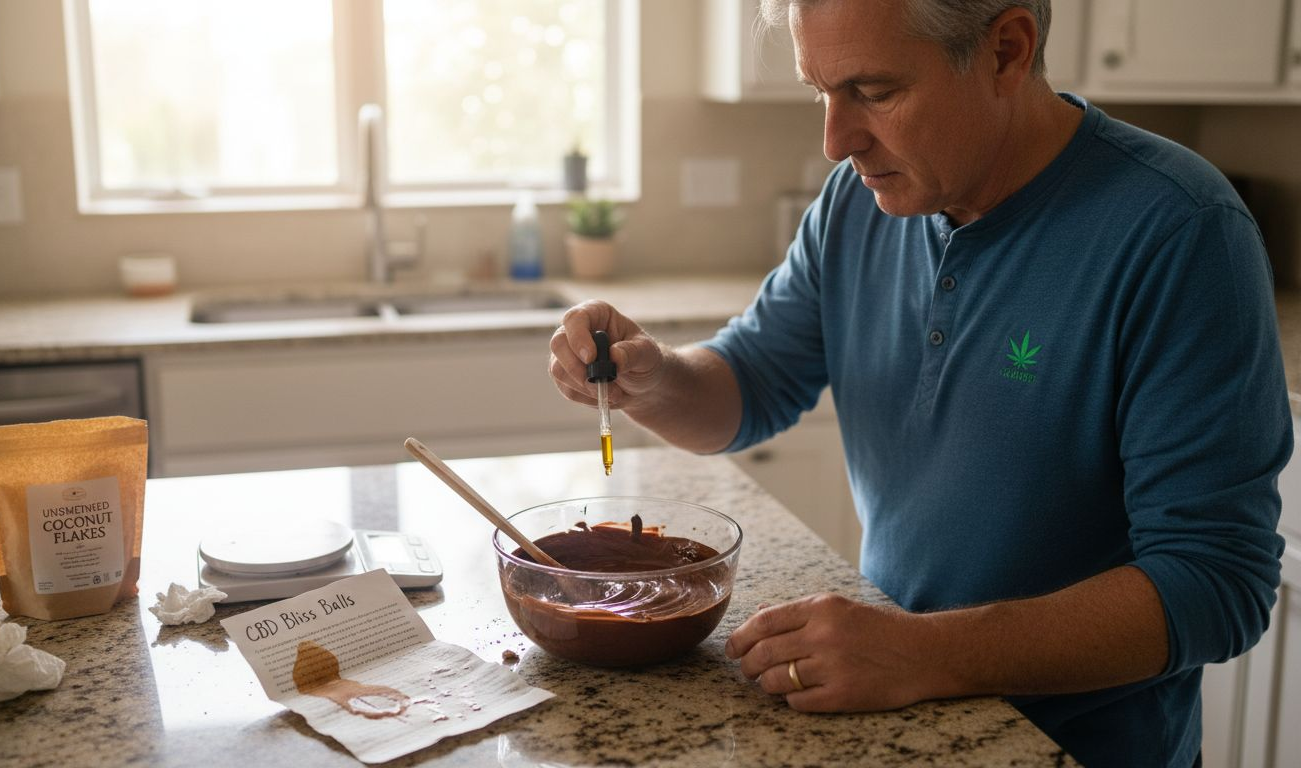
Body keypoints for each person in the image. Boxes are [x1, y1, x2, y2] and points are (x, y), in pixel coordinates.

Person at [547, 1, 1291, 766]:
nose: (837, 142)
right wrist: (654, 377)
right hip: (893, 718)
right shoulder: (858, 204)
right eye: (820, 91)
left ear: (1006, 49)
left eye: (874, 91)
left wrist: (924, 654)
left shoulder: (1181, 231)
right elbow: (751, 383)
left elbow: (1215, 583)